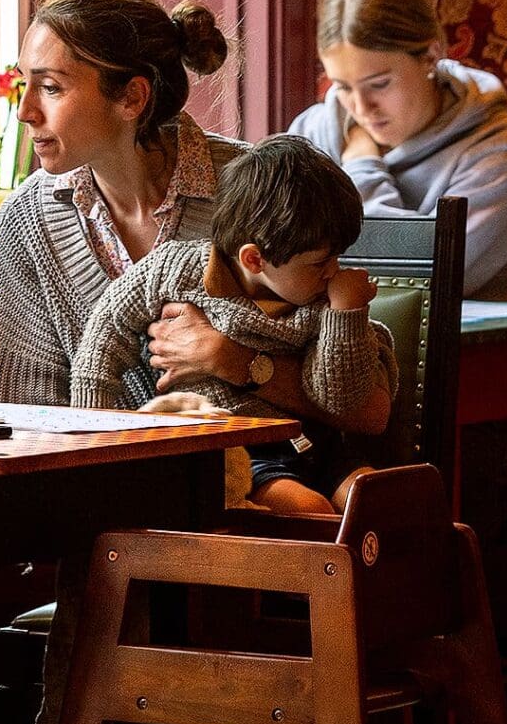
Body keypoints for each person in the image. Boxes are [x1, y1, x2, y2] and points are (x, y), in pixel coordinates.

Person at [70, 136, 393, 515]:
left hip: (319, 442)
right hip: (235, 450)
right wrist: (93, 432)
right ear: (254, 259)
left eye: (337, 257)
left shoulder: (323, 300)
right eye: (321, 262)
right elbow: (106, 331)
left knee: (379, 506)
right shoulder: (175, 270)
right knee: (309, 510)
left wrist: (346, 314)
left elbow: (341, 397)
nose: (333, 272)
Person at [0, 0, 248, 407]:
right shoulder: (25, 221)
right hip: (101, 472)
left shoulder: (256, 186)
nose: (25, 112)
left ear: (131, 97)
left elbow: (363, 397)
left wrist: (240, 360)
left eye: (50, 87)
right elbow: (30, 415)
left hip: (255, 464)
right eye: (24, 85)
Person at [285, 0, 507, 301]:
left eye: (379, 84)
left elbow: (413, 286)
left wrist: (361, 164)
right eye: (343, 87)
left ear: (431, 56)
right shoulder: (312, 132)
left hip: (478, 349)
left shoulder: (506, 153)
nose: (362, 108)